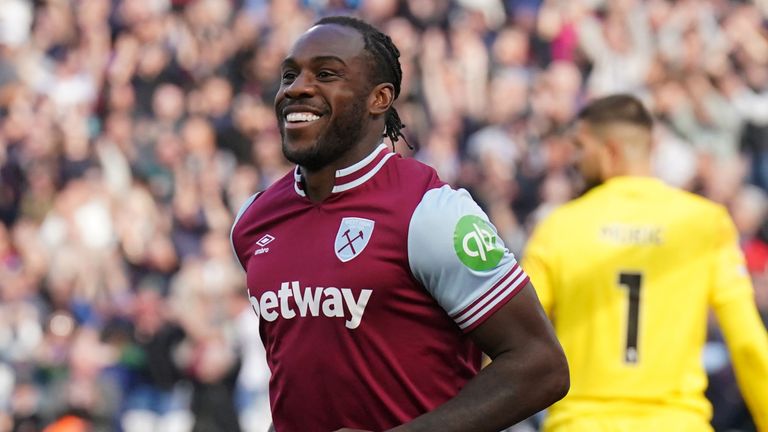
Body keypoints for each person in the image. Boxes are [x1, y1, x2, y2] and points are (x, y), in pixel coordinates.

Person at [230, 15, 569, 432]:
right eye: (289, 74)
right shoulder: (252, 222)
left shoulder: (431, 212)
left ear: (380, 98)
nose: (296, 88)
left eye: (326, 73)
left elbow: (540, 366)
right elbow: (298, 383)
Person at [522, 94, 768, 432]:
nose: (576, 159)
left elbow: (514, 336)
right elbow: (748, 344)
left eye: (581, 147)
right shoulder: (705, 223)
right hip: (678, 423)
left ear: (610, 151)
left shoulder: (560, 227)